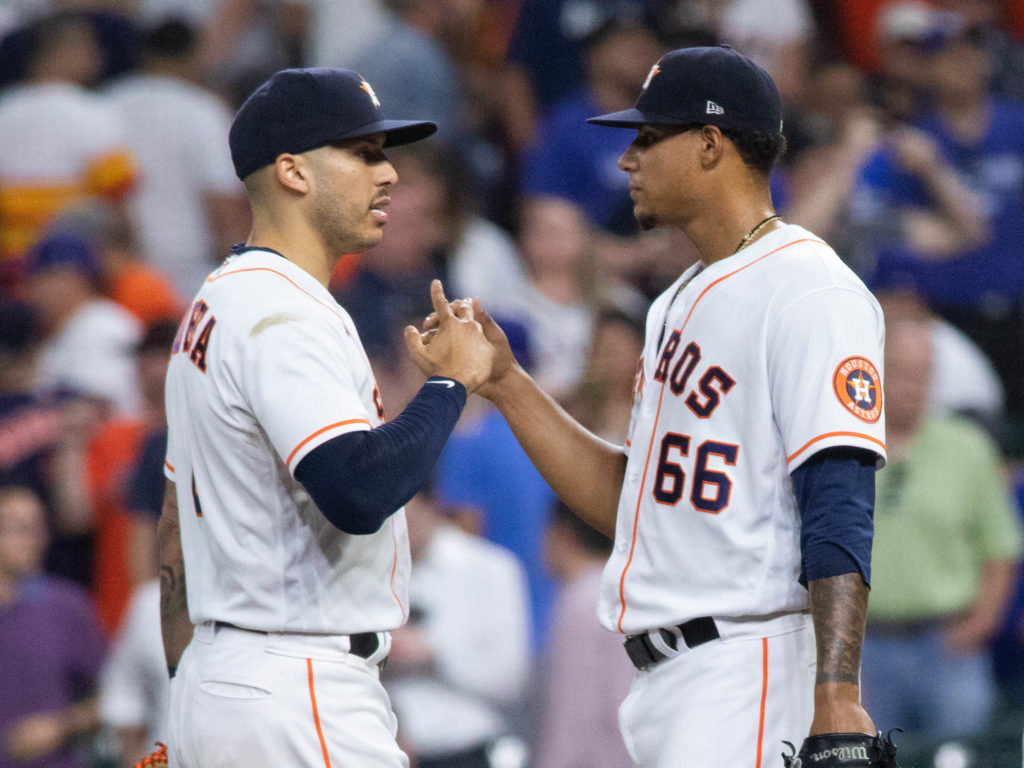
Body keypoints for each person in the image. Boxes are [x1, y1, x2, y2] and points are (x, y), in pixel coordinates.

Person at [422, 46, 891, 766]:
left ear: (710, 144)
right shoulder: (673, 302)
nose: (627, 159)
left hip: (753, 667)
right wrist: (507, 384)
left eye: (648, 138)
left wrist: (836, 693)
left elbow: (840, 501)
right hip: (673, 680)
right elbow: (635, 506)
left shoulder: (811, 291)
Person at [158, 67, 493, 768]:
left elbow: (172, 533)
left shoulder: (215, 302)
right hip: (296, 684)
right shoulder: (284, 312)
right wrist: (449, 384)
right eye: (363, 154)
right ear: (293, 172)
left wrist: (193, 694)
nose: (388, 174)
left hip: (227, 682)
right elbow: (357, 490)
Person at [861, 318, 1023, 744]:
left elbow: (1001, 548)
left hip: (948, 644)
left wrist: (981, 624)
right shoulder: (848, 447)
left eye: (922, 374)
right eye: (901, 372)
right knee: (869, 754)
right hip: (866, 646)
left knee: (961, 754)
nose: (912, 386)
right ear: (875, 371)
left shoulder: (967, 447)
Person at [383, 487, 530, 768]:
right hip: (390, 748)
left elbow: (510, 679)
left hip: (469, 751)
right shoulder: (372, 570)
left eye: (405, 522)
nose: (397, 535)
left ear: (431, 506)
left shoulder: (490, 568)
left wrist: (434, 653)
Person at [0, 484, 107, 768]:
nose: (33, 540)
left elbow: (116, 696)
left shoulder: (67, 607)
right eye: (19, 529)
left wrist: (61, 726)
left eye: (38, 529)